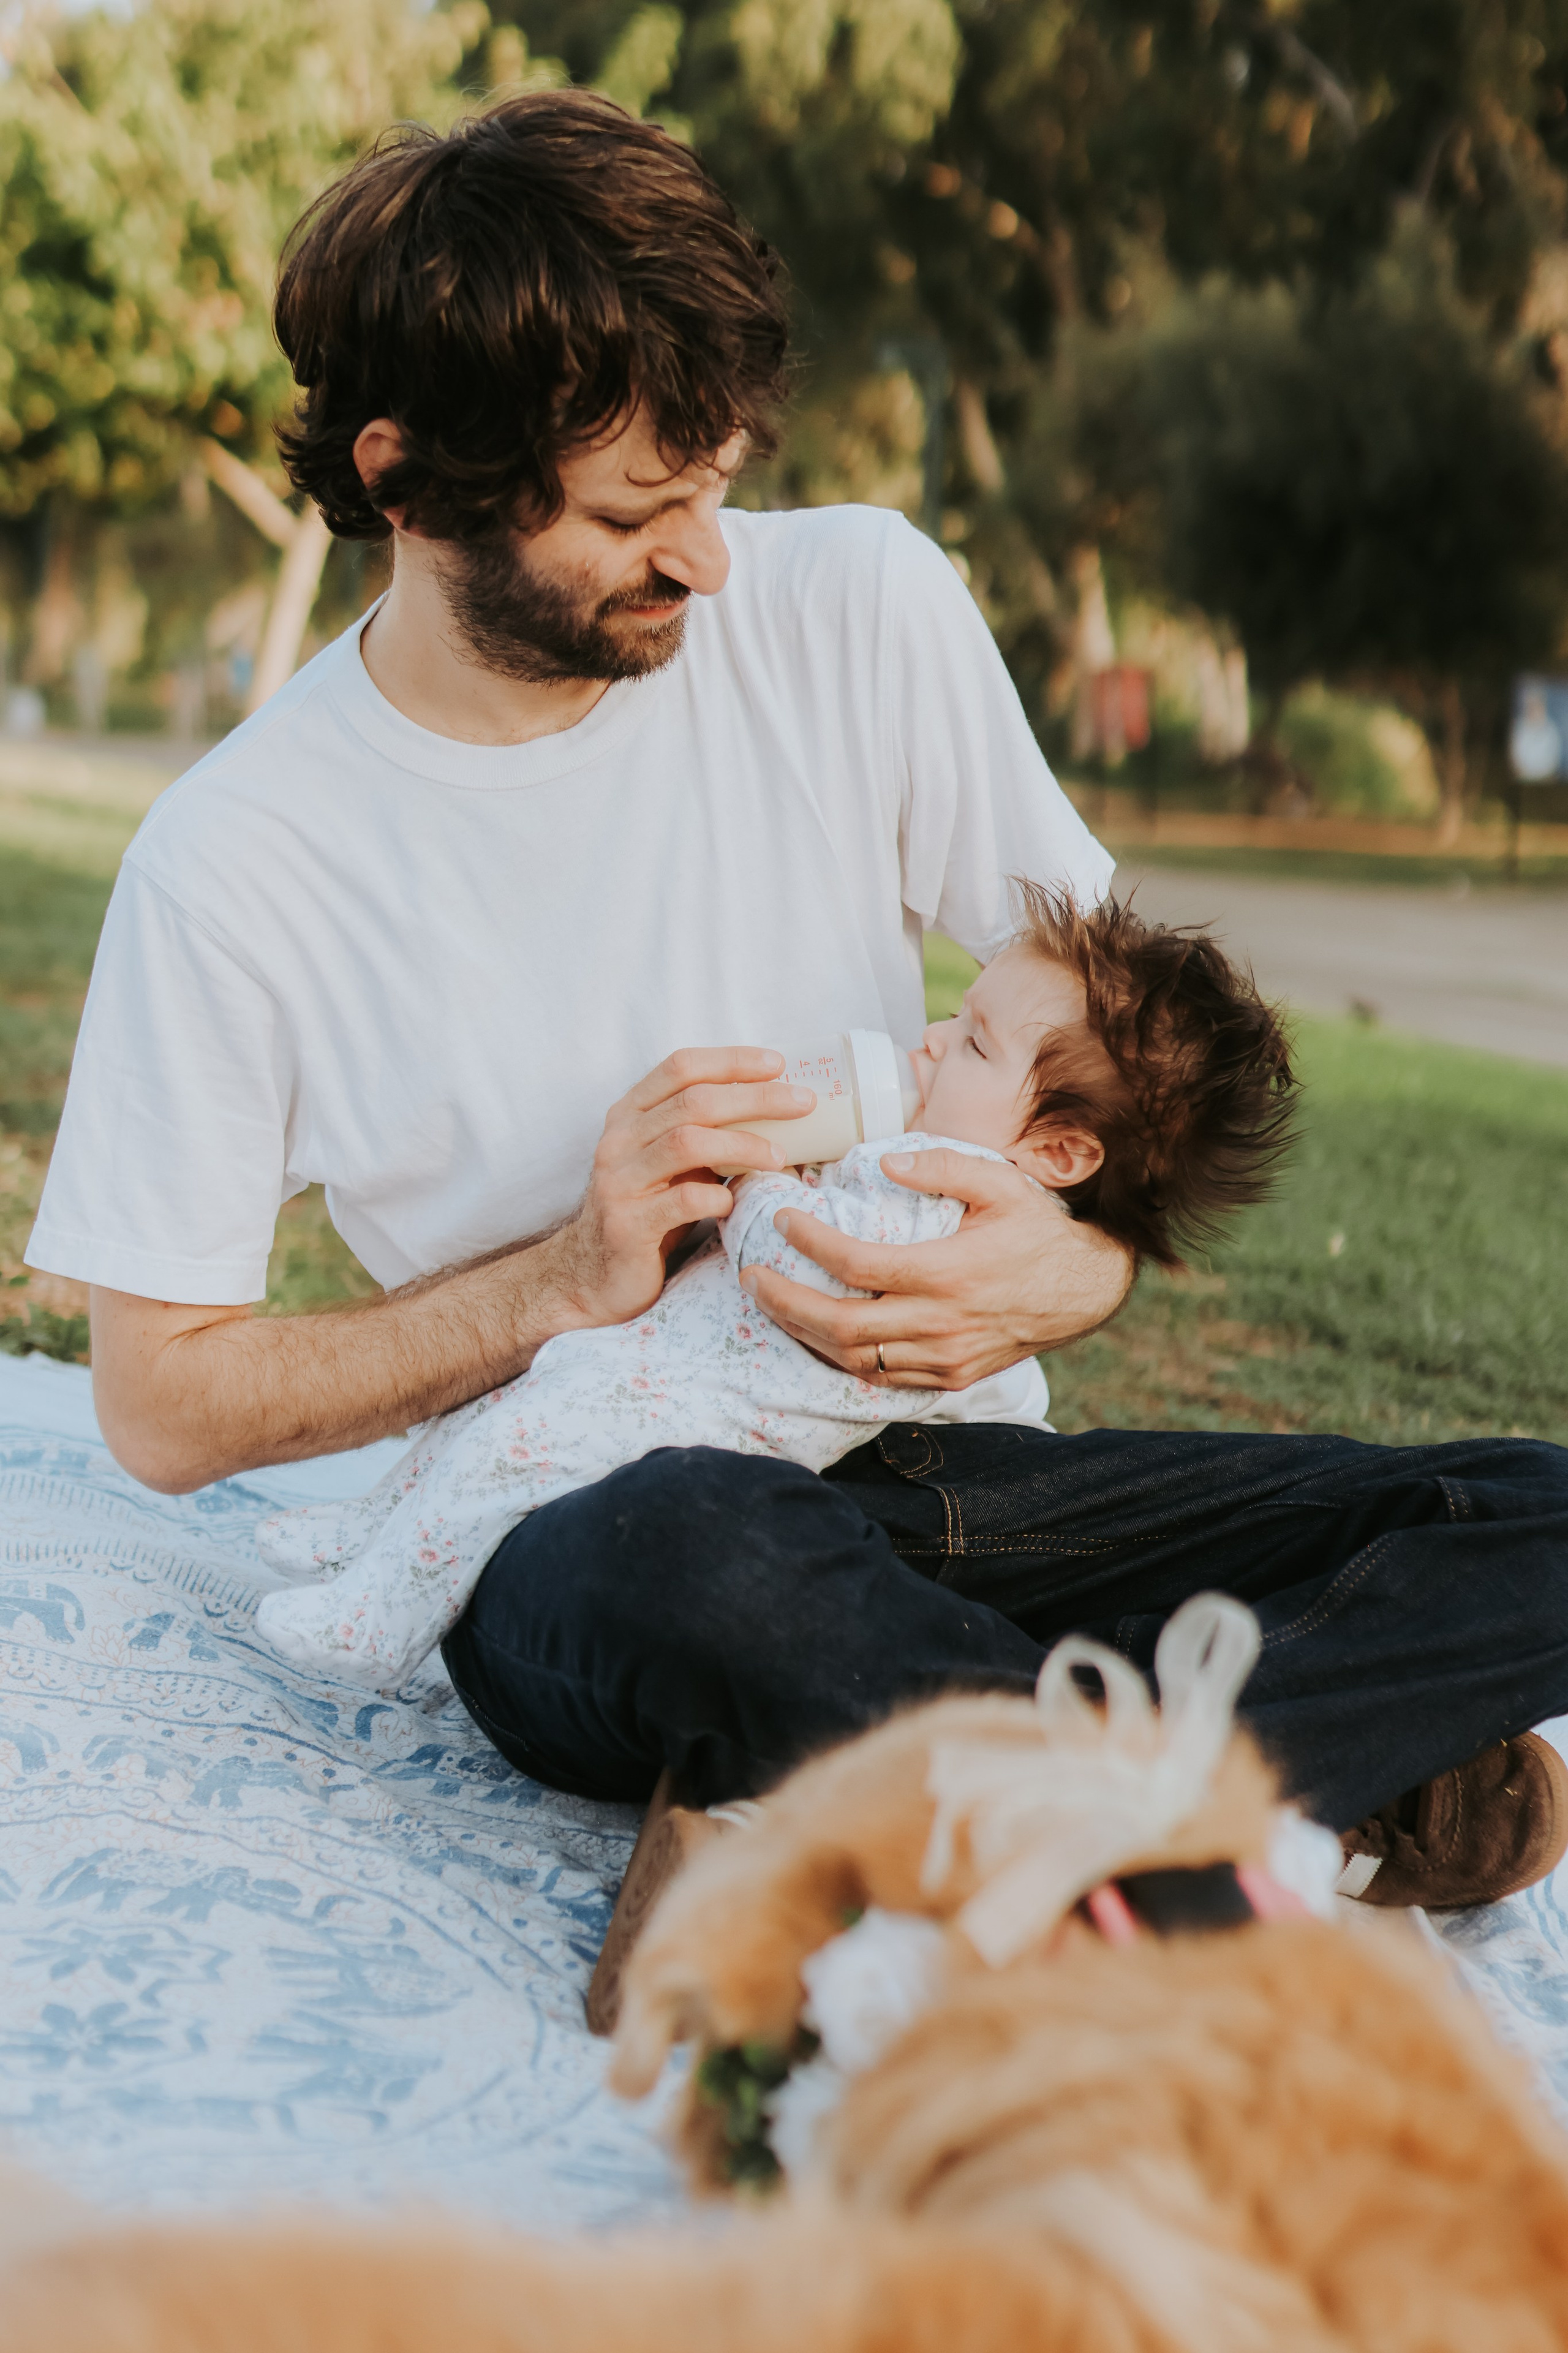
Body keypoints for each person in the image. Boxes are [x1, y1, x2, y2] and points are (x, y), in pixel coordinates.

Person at [28, 92, 1568, 1917]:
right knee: (707, 1564)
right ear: (401, 479)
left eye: (722, 482)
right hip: (612, 1528)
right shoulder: (238, 860)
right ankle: (1228, 1790)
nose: (707, 559)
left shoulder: (863, 611)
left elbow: (1133, 1050)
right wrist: (558, 1280)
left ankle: (1023, 1810)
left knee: (1534, 1508)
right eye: (634, 511)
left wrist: (1083, 1265)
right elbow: (163, 1407)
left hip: (986, 1493)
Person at [247, 888, 1295, 1692]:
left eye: (972, 1042)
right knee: (512, 1402)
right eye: (956, 1011)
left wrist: (757, 1182)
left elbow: (797, 1263)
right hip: (671, 1359)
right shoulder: (927, 1152)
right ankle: (373, 1529)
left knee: (531, 1441)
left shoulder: (949, 1197)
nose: (932, 1037)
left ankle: (382, 1616)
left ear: (1060, 1150)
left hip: (711, 1413)